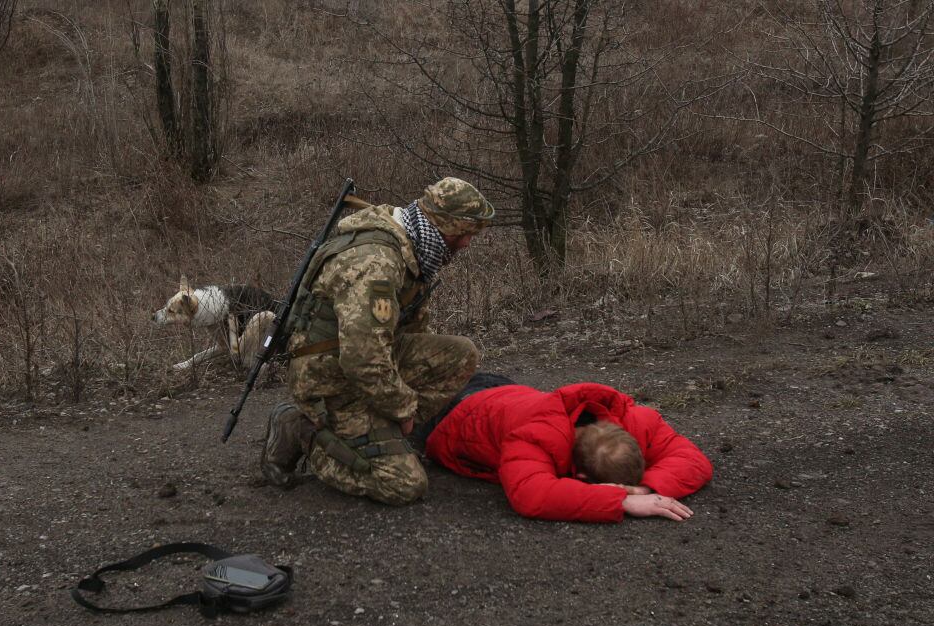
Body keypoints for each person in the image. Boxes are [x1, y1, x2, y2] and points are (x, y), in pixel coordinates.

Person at [258, 177, 495, 505]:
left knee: (460, 355)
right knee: (403, 484)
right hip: (329, 379)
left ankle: (380, 433)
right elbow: (362, 357)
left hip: (356, 363)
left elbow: (408, 335)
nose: (467, 243)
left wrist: (398, 403)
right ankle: (301, 430)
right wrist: (402, 407)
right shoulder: (377, 263)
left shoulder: (412, 246)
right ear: (443, 225)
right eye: (464, 233)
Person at [422, 375, 713, 523]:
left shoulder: (634, 420)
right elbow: (531, 494)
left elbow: (693, 460)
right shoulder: (535, 436)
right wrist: (621, 501)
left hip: (505, 391)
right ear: (583, 478)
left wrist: (645, 488)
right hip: (451, 411)